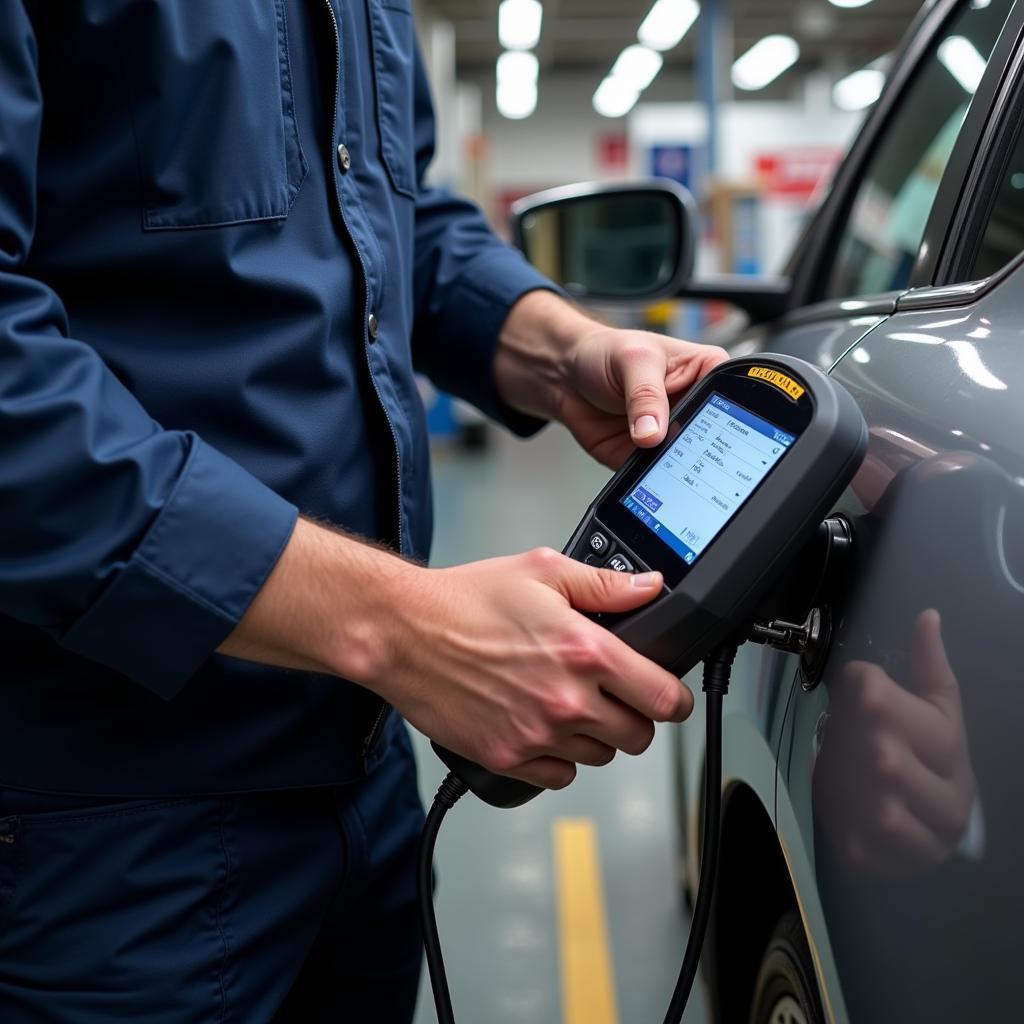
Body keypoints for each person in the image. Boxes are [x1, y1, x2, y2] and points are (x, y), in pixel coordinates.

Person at [0, 3, 726, 1021]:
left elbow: (392, 221)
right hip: (101, 816)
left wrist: (559, 349)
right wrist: (399, 624)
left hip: (364, 779)